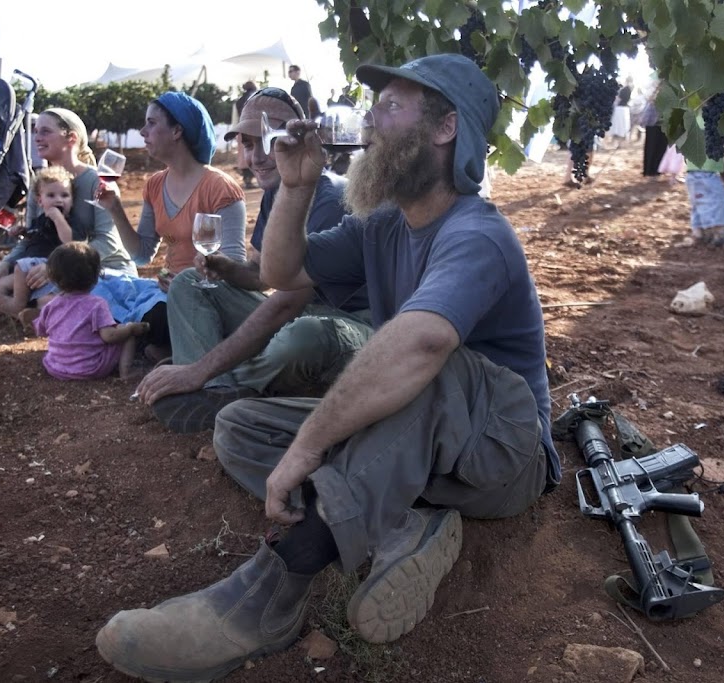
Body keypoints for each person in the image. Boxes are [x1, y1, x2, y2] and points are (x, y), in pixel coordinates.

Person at [95, 54, 558, 681]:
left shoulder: (477, 234)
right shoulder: (384, 224)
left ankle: (269, 597)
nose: (370, 119)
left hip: (503, 458)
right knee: (240, 426)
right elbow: (282, 274)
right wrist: (297, 186)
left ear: (445, 128)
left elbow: (420, 346)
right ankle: (405, 525)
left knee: (428, 361)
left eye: (392, 106)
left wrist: (310, 445)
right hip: (426, 453)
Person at [134, 87, 373, 434]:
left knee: (299, 339)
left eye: (266, 141)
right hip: (299, 315)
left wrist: (200, 367)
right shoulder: (276, 193)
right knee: (189, 282)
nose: (256, 157)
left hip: (344, 326)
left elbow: (287, 302)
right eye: (247, 144)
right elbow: (263, 276)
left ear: (293, 138)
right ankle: (220, 393)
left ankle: (213, 378)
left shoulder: (329, 195)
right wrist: (228, 269)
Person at [95, 91, 247, 360]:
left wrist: (190, 282)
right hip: (162, 292)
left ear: (177, 131)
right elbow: (141, 254)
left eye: (151, 123)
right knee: (98, 289)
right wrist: (115, 209)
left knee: (156, 316)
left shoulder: (220, 187)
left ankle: (159, 344)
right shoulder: (154, 184)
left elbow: (234, 261)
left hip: (203, 295)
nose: (143, 131)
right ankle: (161, 344)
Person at [0, 108, 136, 303]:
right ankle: (38, 308)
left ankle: (34, 307)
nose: (37, 137)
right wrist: (3, 266)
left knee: (50, 297)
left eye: (45, 131)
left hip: (100, 269)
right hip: (50, 268)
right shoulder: (39, 183)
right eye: (36, 131)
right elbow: (31, 238)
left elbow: (108, 244)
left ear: (71, 138)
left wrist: (56, 267)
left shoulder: (99, 182)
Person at [0, 166, 77, 319]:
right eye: (51, 195)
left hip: (44, 266)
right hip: (28, 267)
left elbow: (69, 240)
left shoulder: (66, 221)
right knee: (1, 283)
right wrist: (22, 232)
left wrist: (58, 219)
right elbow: (34, 237)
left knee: (11, 277)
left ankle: (16, 306)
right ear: (40, 201)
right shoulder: (40, 220)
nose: (58, 200)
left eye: (65, 195)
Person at [34, 242, 150, 381]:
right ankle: (127, 371)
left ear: (54, 278)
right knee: (126, 331)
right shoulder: (97, 304)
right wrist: (131, 329)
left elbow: (41, 330)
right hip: (90, 367)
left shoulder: (52, 305)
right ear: (96, 275)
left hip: (55, 367)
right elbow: (110, 336)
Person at [233, 81, 257, 188]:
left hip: (241, 128)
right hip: (254, 128)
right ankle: (251, 178)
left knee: (244, 155)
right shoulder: (256, 97)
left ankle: (247, 179)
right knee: (255, 152)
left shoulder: (239, 101)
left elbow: (235, 118)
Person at [609, 77, 632, 147]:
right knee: (622, 126)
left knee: (618, 126)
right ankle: (620, 143)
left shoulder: (623, 89)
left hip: (620, 109)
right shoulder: (629, 89)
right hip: (625, 109)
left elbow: (618, 99)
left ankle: (616, 143)